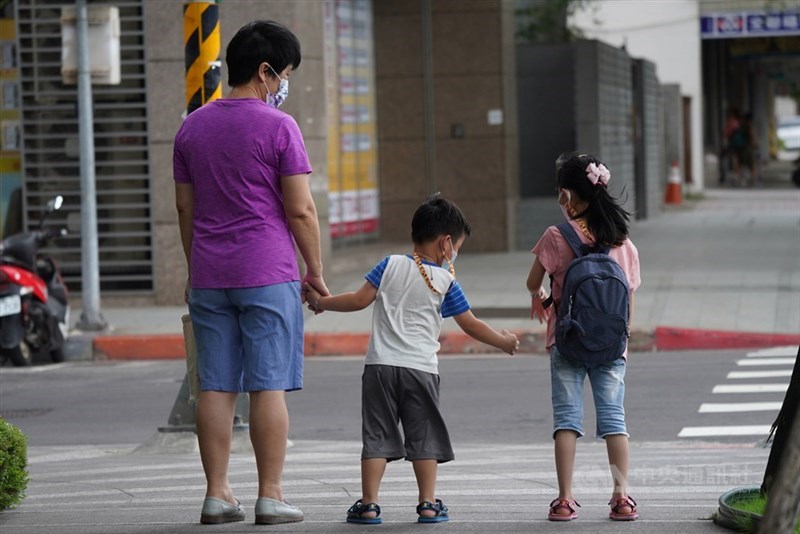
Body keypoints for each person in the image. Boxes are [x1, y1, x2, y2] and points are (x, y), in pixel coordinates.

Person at [173, 20, 329, 525]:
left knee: (215, 385)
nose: (283, 85)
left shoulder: (191, 126)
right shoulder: (278, 127)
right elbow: (301, 211)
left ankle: (217, 494)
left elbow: (184, 210)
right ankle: (270, 494)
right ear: (264, 72)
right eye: (283, 74)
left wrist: (196, 268)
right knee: (268, 385)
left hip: (210, 275)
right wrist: (315, 270)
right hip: (266, 271)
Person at [304, 196, 520, 525]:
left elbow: (359, 300)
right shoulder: (446, 282)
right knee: (424, 435)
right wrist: (503, 342)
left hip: (379, 367)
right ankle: (428, 504)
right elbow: (471, 324)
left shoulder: (388, 264)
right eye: (457, 245)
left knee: (376, 435)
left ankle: (369, 505)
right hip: (420, 370)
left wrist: (323, 303)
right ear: (446, 243)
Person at [526, 152, 641, 522]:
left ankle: (564, 499)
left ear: (566, 196)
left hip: (567, 341)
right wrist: (622, 339)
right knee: (614, 420)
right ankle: (621, 497)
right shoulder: (622, 240)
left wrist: (541, 298)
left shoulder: (555, 236)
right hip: (611, 344)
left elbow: (533, 283)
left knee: (567, 420)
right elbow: (629, 295)